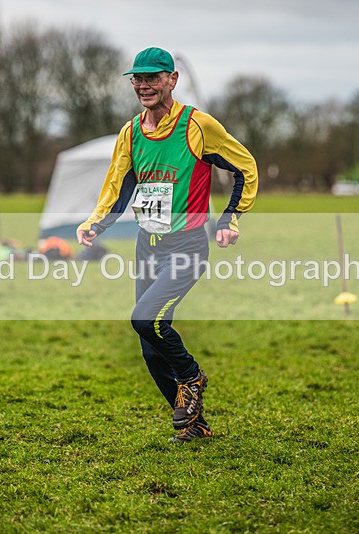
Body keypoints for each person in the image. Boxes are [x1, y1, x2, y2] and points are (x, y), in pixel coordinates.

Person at [76, 47, 258, 443]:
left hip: (188, 244)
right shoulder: (130, 132)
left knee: (146, 320)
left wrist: (230, 218)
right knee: (150, 348)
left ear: (172, 80)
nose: (144, 85)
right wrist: (96, 223)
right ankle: (196, 426)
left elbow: (245, 165)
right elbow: (118, 187)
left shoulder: (198, 125)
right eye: (137, 79)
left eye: (153, 78)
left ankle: (192, 377)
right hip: (147, 246)